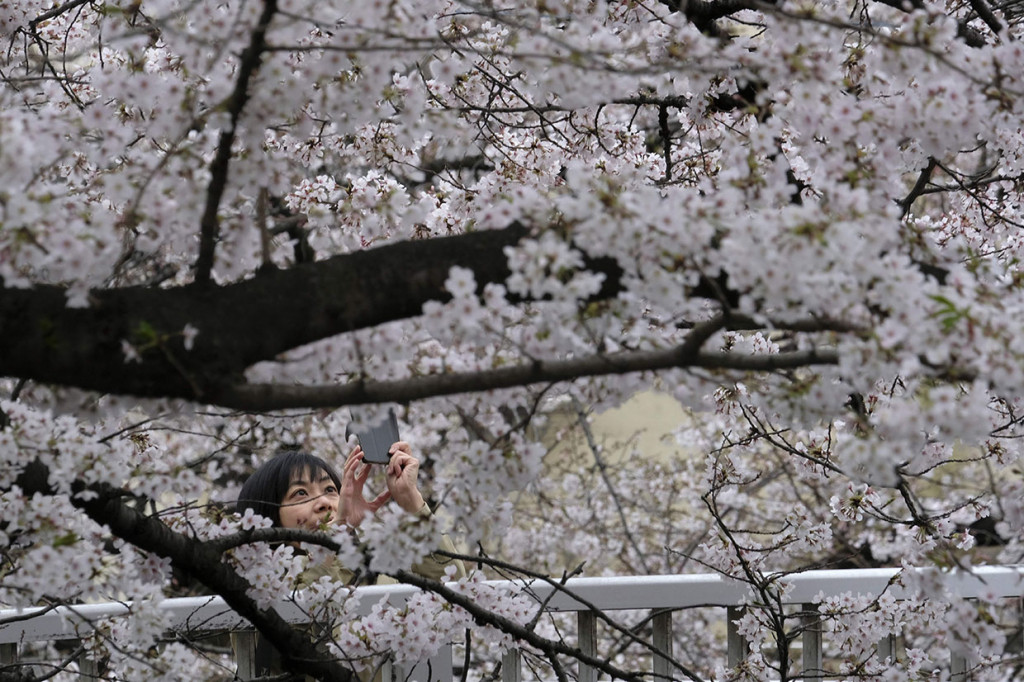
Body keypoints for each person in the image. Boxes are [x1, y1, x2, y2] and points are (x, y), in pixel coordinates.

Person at [233, 442, 465, 678]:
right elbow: (295, 635)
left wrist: (411, 502)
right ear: (265, 517)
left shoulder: (381, 571)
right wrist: (334, 535)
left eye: (330, 490)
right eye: (300, 493)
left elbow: (452, 590)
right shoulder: (257, 587)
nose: (324, 502)